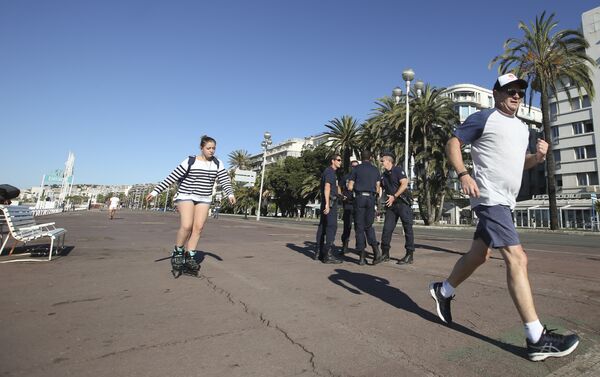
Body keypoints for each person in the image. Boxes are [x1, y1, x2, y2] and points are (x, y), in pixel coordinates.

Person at [429, 73, 579, 362]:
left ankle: (443, 290)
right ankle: (536, 338)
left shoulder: (522, 129)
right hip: (489, 197)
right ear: (496, 94)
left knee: (479, 255)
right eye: (510, 91)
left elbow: (516, 164)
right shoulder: (484, 118)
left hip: (505, 202)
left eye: (520, 92)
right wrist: (463, 174)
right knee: (518, 258)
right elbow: (453, 143)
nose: (516, 96)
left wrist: (536, 158)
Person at [146, 135, 236, 271]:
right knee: (187, 225)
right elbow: (172, 176)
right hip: (186, 195)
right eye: (208, 148)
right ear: (201, 148)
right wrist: (155, 192)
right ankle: (178, 251)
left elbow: (224, 180)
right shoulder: (191, 160)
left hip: (204, 198)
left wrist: (230, 193)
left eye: (214, 148)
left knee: (198, 227)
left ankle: (190, 255)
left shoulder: (217, 163)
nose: (211, 151)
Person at [379, 152, 415, 264]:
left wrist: (394, 196)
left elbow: (404, 184)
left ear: (389, 161)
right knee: (387, 229)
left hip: (402, 203)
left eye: (382, 161)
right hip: (391, 205)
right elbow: (380, 189)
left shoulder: (398, 170)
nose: (381, 163)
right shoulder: (384, 175)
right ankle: (385, 253)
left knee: (407, 228)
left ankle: (409, 255)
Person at [347, 150, 382, 265]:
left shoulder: (356, 169)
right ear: (371, 157)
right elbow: (378, 188)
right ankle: (376, 250)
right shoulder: (375, 170)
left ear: (361, 158)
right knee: (368, 226)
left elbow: (350, 186)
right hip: (371, 199)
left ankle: (362, 256)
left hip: (360, 199)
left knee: (359, 227)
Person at [314, 154, 343, 264]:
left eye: (340, 160)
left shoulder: (329, 172)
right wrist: (327, 204)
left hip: (328, 201)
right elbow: (327, 187)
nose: (340, 162)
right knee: (332, 226)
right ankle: (328, 255)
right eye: (338, 160)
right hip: (330, 203)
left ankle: (318, 252)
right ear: (333, 161)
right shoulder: (330, 172)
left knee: (323, 226)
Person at [340, 160, 359, 254]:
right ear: (350, 167)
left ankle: (359, 247)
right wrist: (341, 196)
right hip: (347, 204)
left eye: (356, 166)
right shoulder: (346, 177)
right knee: (346, 227)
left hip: (358, 205)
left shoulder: (360, 177)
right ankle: (344, 246)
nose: (354, 168)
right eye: (353, 166)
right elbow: (339, 186)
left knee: (359, 227)